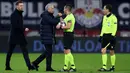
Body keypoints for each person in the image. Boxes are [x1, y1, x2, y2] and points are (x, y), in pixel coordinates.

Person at [5, 0, 35, 71]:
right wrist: (24, 29)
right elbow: (15, 26)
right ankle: (7, 66)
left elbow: (18, 25)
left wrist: (23, 29)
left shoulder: (20, 14)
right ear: (17, 6)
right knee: (10, 52)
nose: (22, 7)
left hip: (20, 36)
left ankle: (29, 66)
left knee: (25, 52)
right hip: (14, 36)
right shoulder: (13, 15)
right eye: (20, 5)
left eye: (22, 5)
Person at [32, 4, 60, 71]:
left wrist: (57, 17)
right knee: (48, 52)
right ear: (48, 9)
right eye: (52, 8)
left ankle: (35, 63)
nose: (53, 10)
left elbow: (52, 20)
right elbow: (53, 21)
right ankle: (47, 67)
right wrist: (59, 18)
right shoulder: (45, 16)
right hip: (46, 36)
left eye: (53, 8)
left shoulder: (48, 15)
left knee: (48, 52)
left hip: (48, 36)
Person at [56, 4, 76, 72]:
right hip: (66, 34)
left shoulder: (70, 17)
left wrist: (61, 27)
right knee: (66, 51)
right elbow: (63, 22)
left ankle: (73, 67)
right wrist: (61, 18)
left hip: (69, 34)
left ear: (66, 9)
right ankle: (65, 67)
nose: (63, 10)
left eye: (64, 9)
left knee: (67, 51)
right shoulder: (67, 17)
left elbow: (68, 26)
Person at [98, 4, 117, 72]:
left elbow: (115, 27)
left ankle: (112, 67)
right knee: (103, 51)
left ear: (107, 10)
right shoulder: (104, 17)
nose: (103, 10)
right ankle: (104, 67)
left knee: (111, 51)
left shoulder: (113, 17)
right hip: (104, 36)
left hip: (111, 36)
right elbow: (103, 27)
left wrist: (113, 35)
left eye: (104, 9)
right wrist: (101, 35)